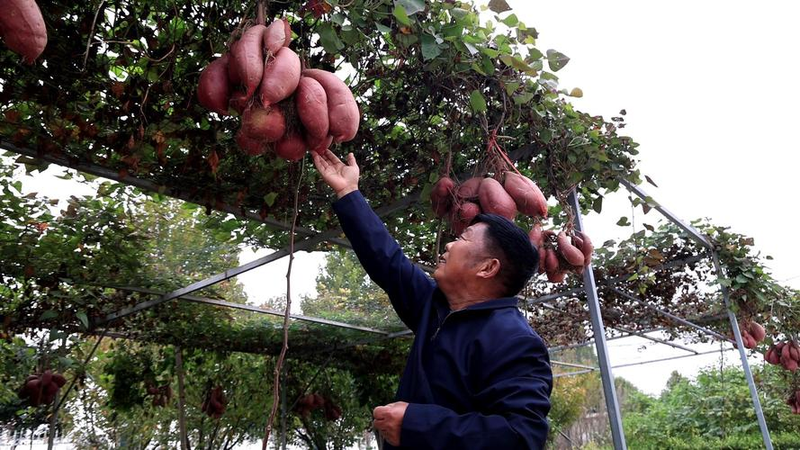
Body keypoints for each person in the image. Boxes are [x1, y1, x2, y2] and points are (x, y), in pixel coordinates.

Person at [312, 150, 553, 449]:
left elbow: (521, 437)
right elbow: (388, 262)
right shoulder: (437, 306)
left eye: (464, 239)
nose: (450, 243)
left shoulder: (515, 341)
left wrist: (417, 426)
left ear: (488, 267)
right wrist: (348, 191)